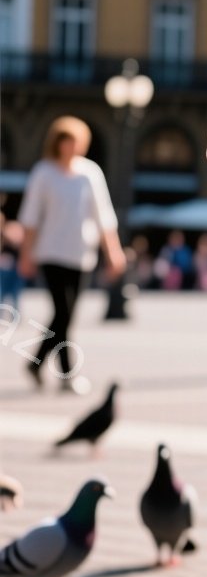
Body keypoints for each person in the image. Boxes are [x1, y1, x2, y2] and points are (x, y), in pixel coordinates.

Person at [17, 116, 124, 391]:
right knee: (63, 313)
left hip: (80, 254)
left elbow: (103, 216)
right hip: (51, 253)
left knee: (67, 315)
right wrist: (26, 254)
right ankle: (66, 374)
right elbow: (30, 218)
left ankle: (37, 362)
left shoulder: (90, 173)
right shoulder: (44, 172)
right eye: (67, 141)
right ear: (58, 143)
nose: (72, 146)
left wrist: (112, 252)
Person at [0, 214, 22, 311]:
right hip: (6, 265)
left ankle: (14, 314)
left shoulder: (13, 228)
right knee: (4, 292)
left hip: (14, 265)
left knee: (13, 293)